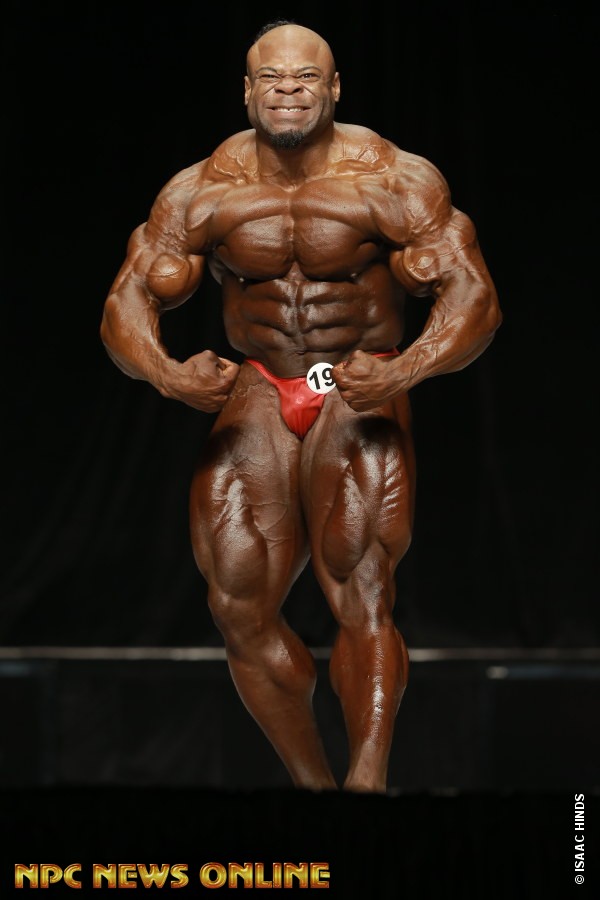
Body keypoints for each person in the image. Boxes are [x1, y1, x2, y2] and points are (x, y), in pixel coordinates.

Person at [100, 19, 501, 793]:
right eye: (272, 77)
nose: (288, 89)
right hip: (260, 381)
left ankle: (368, 784)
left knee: (362, 583)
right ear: (248, 90)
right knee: (236, 603)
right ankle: (315, 790)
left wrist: (406, 369)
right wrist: (167, 375)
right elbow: (125, 305)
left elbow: (476, 299)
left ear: (334, 87)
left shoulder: (395, 178)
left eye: (305, 77)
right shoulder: (198, 191)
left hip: (358, 379)